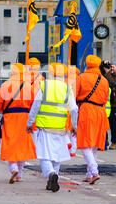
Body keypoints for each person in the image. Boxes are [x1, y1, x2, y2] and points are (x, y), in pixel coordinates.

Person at [27, 63, 78, 192]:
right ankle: (53, 178)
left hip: (44, 126)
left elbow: (36, 105)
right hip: (60, 127)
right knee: (57, 155)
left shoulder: (45, 85)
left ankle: (50, 173)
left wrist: (29, 122)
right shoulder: (67, 88)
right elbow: (74, 109)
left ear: (51, 72)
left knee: (45, 155)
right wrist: (74, 125)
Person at [0, 63, 36, 184]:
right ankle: (20, 174)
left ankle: (13, 168)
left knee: (10, 143)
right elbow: (33, 104)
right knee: (22, 145)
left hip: (9, 117)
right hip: (25, 117)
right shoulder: (29, 86)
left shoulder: (5, 85)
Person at [76, 55, 110, 184]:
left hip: (86, 110)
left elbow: (74, 95)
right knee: (94, 144)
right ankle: (89, 174)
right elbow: (106, 97)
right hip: (100, 112)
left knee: (85, 143)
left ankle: (95, 172)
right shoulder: (104, 80)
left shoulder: (82, 77)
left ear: (87, 64)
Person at [26, 57, 45, 144]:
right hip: (38, 102)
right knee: (36, 123)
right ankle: (36, 143)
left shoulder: (24, 76)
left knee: (28, 121)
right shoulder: (41, 78)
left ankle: (29, 142)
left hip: (27, 102)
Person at [65, 65, 80, 157]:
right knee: (74, 129)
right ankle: (73, 150)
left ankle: (67, 141)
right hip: (76, 106)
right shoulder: (79, 80)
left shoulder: (65, 81)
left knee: (65, 128)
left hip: (65, 107)